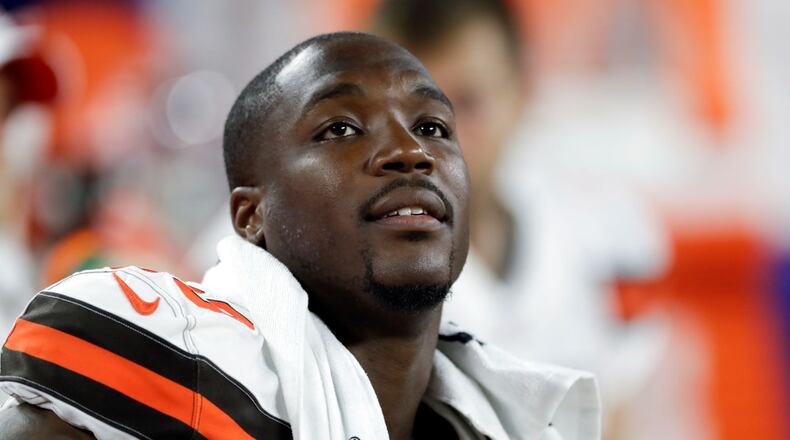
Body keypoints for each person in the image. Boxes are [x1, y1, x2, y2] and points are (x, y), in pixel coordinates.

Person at [0, 32, 600, 439]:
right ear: (249, 216)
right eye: (341, 128)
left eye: (433, 126)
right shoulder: (186, 357)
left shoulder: (501, 417)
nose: (409, 153)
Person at [372, 0, 669, 423]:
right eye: (410, 113)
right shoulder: (350, 273)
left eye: (468, 103)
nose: (434, 140)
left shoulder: (604, 234)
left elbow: (615, 415)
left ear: (522, 92)